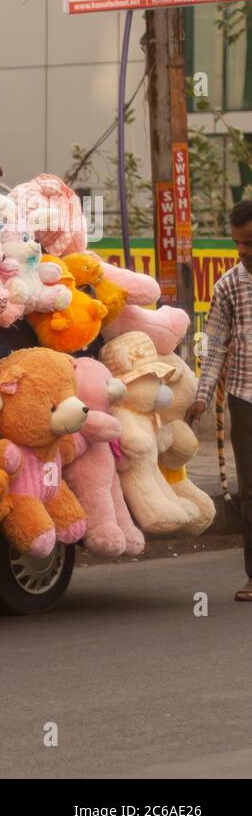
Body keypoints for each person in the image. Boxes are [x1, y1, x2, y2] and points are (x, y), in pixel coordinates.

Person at [187, 200, 252, 601]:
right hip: (245, 397)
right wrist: (201, 395)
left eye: (249, 243)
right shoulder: (229, 284)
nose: (242, 252)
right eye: (238, 244)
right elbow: (212, 348)